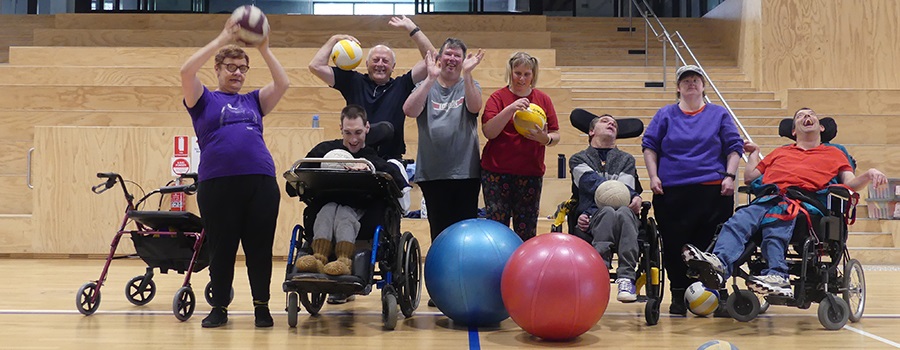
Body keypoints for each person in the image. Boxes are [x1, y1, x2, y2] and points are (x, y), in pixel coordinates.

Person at [682, 108, 888, 298]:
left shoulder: (835, 153)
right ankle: (719, 265)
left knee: (777, 219)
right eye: (800, 116)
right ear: (793, 130)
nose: (806, 117)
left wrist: (870, 174)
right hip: (770, 198)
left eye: (811, 115)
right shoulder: (780, 152)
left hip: (806, 203)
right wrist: (754, 153)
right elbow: (750, 177)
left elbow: (850, 184)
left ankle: (778, 274)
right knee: (739, 219)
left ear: (821, 127)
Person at [180, 17, 289, 328]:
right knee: (221, 247)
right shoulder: (203, 100)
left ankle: (262, 307)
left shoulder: (254, 100)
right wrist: (221, 40)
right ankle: (219, 310)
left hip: (260, 183)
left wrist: (265, 49)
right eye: (231, 67)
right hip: (217, 184)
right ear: (217, 69)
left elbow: (283, 84)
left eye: (242, 68)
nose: (238, 73)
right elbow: (186, 71)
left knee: (259, 248)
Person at [641, 64, 744, 315]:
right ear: (678, 87)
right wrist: (653, 177)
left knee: (712, 246)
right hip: (673, 191)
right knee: (675, 244)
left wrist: (730, 176)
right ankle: (678, 294)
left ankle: (715, 294)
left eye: (696, 80)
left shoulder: (718, 115)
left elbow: (734, 146)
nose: (691, 83)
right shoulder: (665, 114)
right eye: (685, 80)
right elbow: (649, 146)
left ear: (703, 85)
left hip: (712, 190)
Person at [294, 105, 411, 278]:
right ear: (341, 129)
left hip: (358, 208)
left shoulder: (370, 157)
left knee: (344, 214)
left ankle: (344, 260)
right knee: (326, 212)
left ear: (367, 128)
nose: (353, 139)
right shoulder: (324, 150)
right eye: (348, 133)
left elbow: (392, 173)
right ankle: (318, 258)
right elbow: (299, 175)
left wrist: (366, 167)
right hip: (327, 203)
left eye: (358, 132)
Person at [308, 15, 435, 161]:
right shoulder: (352, 81)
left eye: (385, 61)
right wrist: (335, 39)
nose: (380, 64)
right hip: (356, 157)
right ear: (367, 63)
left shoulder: (402, 84)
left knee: (386, 130)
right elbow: (315, 66)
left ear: (393, 67)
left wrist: (413, 29)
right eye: (375, 60)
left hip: (390, 159)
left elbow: (433, 59)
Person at [402, 38, 485, 242]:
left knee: (465, 234)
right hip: (433, 174)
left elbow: (475, 108)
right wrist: (430, 78)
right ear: (439, 58)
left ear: (463, 60)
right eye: (448, 54)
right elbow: (409, 110)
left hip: (466, 174)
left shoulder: (470, 84)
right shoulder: (425, 85)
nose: (452, 59)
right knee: (438, 233)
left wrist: (467, 74)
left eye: (457, 55)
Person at [480, 51, 560, 241]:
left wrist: (545, 138)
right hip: (496, 173)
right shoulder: (497, 98)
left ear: (533, 75)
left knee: (526, 231)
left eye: (527, 74)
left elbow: (556, 134)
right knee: (497, 229)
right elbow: (489, 132)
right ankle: (499, 269)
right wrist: (510, 108)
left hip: (530, 173)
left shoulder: (543, 99)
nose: (522, 78)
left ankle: (521, 270)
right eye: (517, 73)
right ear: (510, 72)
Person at [569, 114, 643, 302]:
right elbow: (591, 185)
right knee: (609, 211)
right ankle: (599, 270)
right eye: (605, 121)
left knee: (624, 211)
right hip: (594, 219)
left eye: (614, 124)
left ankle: (626, 277)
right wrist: (589, 212)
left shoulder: (626, 159)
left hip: (623, 216)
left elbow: (624, 192)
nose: (611, 123)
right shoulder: (578, 159)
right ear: (591, 131)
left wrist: (635, 197)